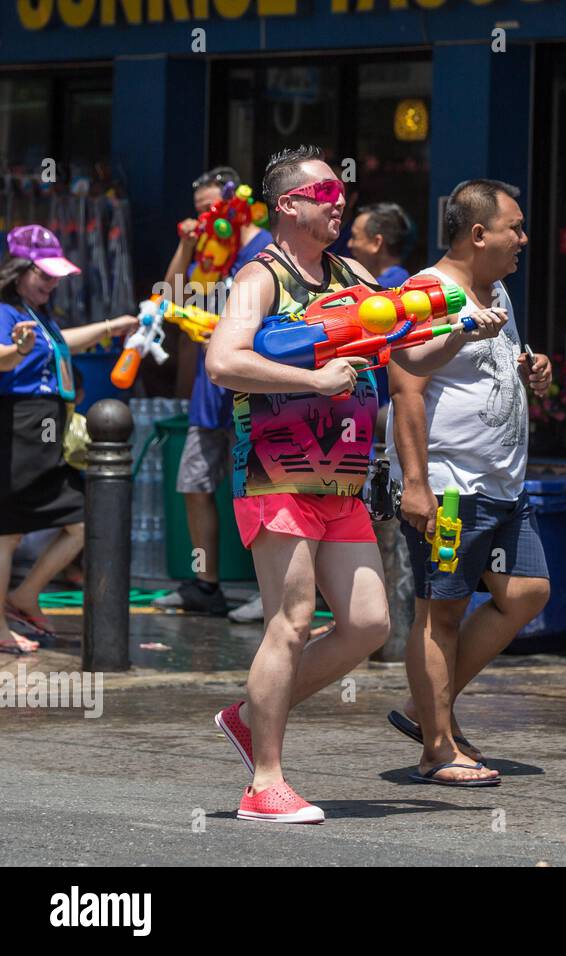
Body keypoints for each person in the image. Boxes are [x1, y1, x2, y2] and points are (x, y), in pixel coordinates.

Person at [205, 146, 502, 822]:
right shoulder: (261, 277)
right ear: (288, 204)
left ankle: (250, 715)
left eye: (343, 192)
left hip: (340, 476)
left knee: (369, 623)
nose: (339, 200)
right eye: (325, 192)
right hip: (276, 469)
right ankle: (265, 783)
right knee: (291, 619)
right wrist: (312, 379)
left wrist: (460, 330)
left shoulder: (352, 272)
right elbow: (224, 362)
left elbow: (410, 352)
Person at [385, 179, 548, 786]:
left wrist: (531, 368)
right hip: (451, 488)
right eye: (516, 227)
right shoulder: (426, 292)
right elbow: (406, 388)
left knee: (528, 592)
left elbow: (481, 369)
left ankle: (425, 707)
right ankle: (436, 747)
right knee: (441, 612)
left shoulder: (496, 287)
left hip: (502, 487)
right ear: (478, 234)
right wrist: (418, 485)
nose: (524, 239)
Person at [1, 225, 138, 652]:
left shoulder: (36, 312)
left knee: (84, 518)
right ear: (18, 270)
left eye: (56, 275)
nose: (52, 282)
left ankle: (24, 595)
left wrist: (112, 326)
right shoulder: (7, 310)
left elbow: (60, 344)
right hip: (19, 428)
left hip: (45, 433)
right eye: (43, 273)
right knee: (5, 533)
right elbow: (4, 360)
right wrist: (17, 350)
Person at [152, 166, 273, 621]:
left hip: (252, 393)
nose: (203, 218)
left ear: (235, 202)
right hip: (209, 392)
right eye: (198, 211)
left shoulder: (266, 249)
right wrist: (186, 244)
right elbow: (169, 296)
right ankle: (206, 585)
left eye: (210, 209)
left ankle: (271, 588)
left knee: (258, 491)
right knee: (194, 484)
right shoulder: (210, 250)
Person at [347, 202, 413, 289]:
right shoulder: (401, 280)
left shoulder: (381, 290)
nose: (349, 244)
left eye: (354, 237)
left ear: (377, 243)